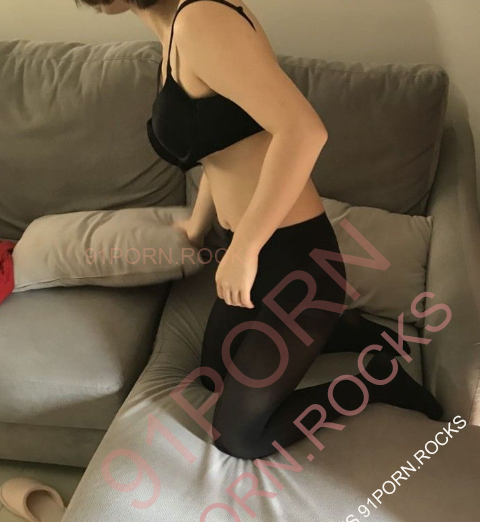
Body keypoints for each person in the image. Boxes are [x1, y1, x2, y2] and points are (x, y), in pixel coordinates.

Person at [78, 0, 444, 459]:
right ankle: (347, 330)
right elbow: (218, 145)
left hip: (298, 264)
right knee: (215, 373)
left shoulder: (201, 20)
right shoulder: (174, 30)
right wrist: (198, 225)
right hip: (251, 250)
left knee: (240, 437)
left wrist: (245, 249)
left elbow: (304, 131)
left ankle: (376, 383)